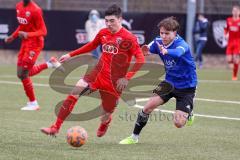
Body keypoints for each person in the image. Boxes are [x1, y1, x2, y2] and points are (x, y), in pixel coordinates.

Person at [41, 4, 145, 137]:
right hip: (97, 74)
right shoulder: (103, 33)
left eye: (112, 21)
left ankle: (106, 122)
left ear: (120, 19)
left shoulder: (129, 38)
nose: (108, 24)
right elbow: (91, 45)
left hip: (114, 83)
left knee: (106, 114)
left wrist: (127, 77)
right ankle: (55, 128)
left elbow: (140, 59)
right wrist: (70, 54)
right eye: (106, 21)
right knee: (75, 91)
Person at [119, 17, 197, 144]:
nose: (164, 36)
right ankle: (134, 137)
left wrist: (167, 51)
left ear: (175, 33)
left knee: (178, 123)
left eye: (167, 33)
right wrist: (140, 51)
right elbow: (145, 50)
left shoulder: (182, 45)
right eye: (162, 33)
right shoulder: (158, 42)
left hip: (187, 87)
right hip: (169, 83)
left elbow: (177, 53)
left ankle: (189, 112)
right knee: (147, 107)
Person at [4, 0, 61, 111]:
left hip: (35, 43)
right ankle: (50, 64)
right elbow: (22, 26)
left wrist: (28, 34)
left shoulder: (36, 10)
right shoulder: (18, 6)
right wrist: (12, 36)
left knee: (23, 74)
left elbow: (43, 31)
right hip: (26, 42)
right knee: (21, 73)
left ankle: (33, 103)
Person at [224, 5, 240, 81]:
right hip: (230, 42)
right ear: (232, 12)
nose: (235, 12)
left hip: (238, 42)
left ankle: (234, 76)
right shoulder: (228, 20)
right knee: (228, 59)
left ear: (239, 12)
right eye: (234, 11)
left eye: (236, 11)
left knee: (236, 59)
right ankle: (236, 65)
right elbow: (226, 29)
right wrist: (225, 34)